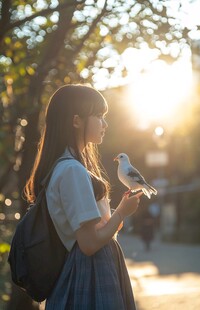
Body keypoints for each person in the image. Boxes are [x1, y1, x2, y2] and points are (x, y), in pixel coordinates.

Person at [24, 84, 143, 309]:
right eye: (98, 116)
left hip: (89, 268)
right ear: (76, 120)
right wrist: (122, 212)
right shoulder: (72, 170)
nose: (105, 124)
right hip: (91, 272)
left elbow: (93, 233)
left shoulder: (66, 167)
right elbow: (88, 244)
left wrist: (115, 217)